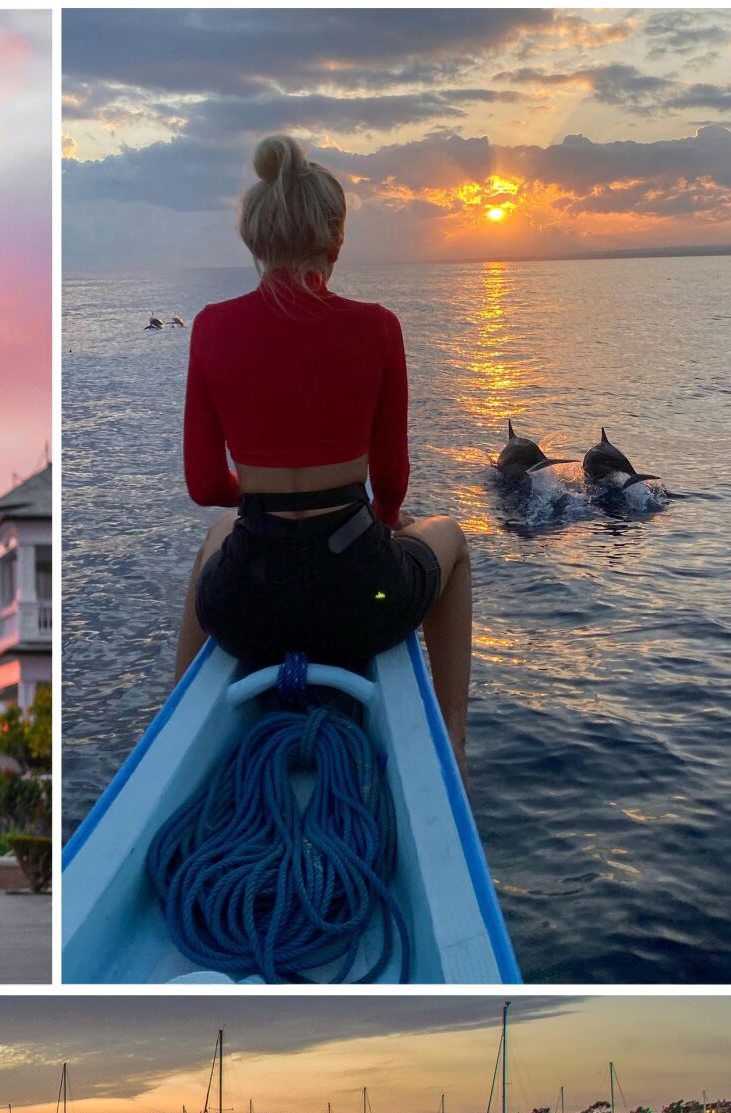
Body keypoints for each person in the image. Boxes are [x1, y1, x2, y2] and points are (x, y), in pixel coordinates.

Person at [176, 133, 473, 774]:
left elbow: (204, 484)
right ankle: (454, 744)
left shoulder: (210, 327)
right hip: (356, 603)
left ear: (254, 239)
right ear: (335, 237)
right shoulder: (378, 326)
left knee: (220, 533)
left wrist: (259, 490)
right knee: (451, 538)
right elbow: (391, 480)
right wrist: (385, 518)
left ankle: (176, 732)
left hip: (246, 607)